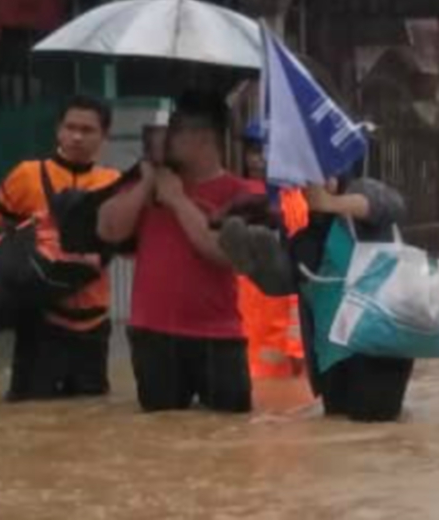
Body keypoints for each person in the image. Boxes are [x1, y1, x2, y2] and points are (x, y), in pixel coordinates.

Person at [0, 95, 121, 401]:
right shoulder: (28, 175)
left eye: (87, 130)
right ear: (58, 130)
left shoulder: (113, 184)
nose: (77, 137)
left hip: (94, 327)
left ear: (104, 136)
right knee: (30, 414)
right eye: (70, 127)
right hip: (40, 322)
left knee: (91, 419)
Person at [97, 98, 257, 413]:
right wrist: (146, 184)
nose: (163, 139)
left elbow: (223, 253)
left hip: (218, 336)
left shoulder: (241, 192)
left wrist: (178, 201)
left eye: (173, 132)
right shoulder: (149, 185)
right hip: (153, 335)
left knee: (232, 437)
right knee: (161, 433)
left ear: (203, 139)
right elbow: (108, 230)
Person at [220, 172, 413, 423]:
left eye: (322, 173)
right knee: (337, 436)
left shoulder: (361, 195)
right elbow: (283, 284)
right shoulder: (304, 234)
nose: (312, 183)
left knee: (375, 431)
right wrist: (252, 260)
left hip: (379, 348)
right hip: (329, 358)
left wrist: (330, 203)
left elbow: (393, 207)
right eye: (306, 177)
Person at [237, 122, 308, 379]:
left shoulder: (293, 201)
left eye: (264, 151)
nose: (257, 159)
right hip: (243, 311)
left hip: (278, 315)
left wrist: (296, 342)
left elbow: (300, 261)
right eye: (252, 151)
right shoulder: (236, 194)